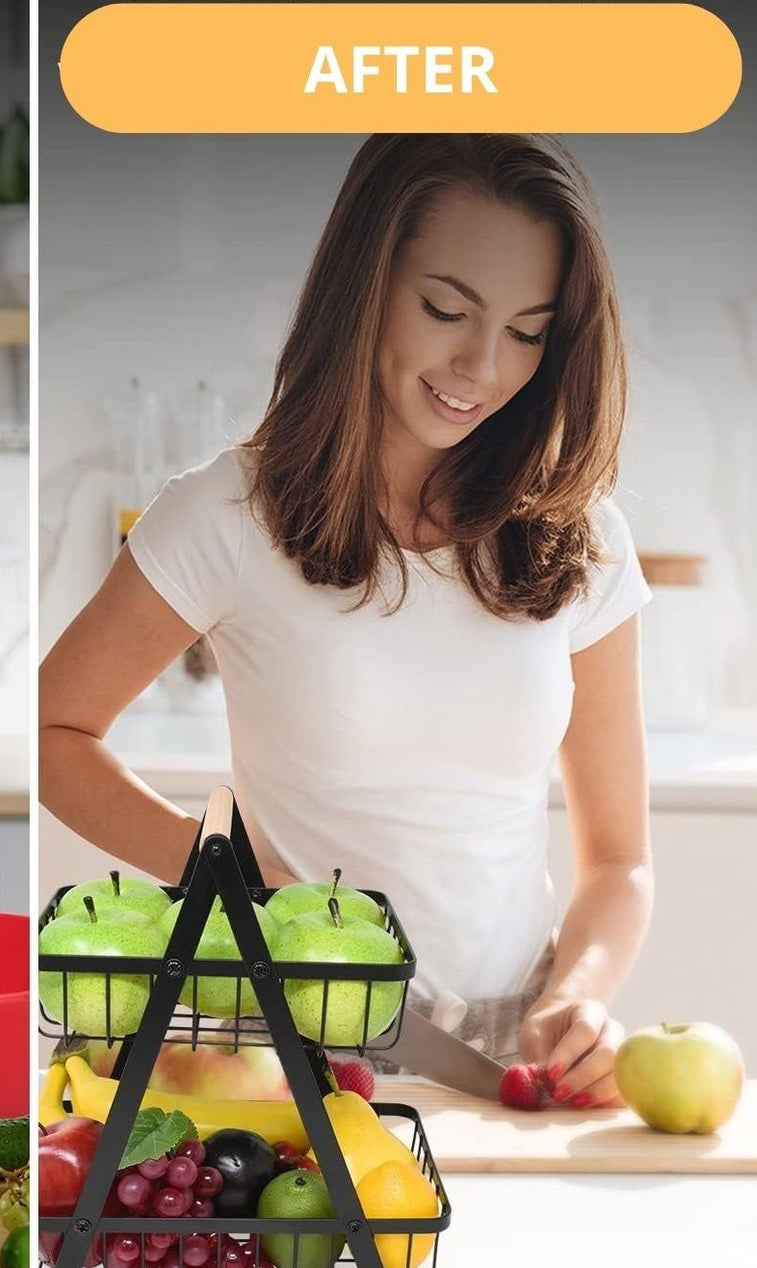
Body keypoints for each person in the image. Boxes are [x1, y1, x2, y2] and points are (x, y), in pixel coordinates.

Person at [40, 134, 653, 1110]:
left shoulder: (580, 536)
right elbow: (50, 732)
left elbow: (618, 858)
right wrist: (229, 875)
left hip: (507, 1057)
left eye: (527, 330)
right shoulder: (228, 511)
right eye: (444, 309)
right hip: (279, 1046)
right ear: (364, 286)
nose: (480, 365)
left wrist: (574, 999)